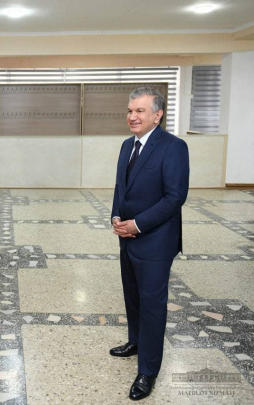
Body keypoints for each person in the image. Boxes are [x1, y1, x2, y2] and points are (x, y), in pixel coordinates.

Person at [110, 87, 189, 401]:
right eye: (130, 110)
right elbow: (121, 187)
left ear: (158, 115)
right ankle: (136, 342)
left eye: (140, 111)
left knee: (153, 305)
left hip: (155, 241)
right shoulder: (127, 145)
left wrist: (138, 224)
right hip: (127, 238)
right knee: (133, 296)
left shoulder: (174, 147)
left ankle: (148, 370)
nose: (132, 116)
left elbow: (175, 197)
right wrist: (116, 216)